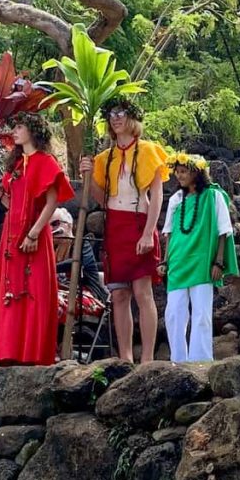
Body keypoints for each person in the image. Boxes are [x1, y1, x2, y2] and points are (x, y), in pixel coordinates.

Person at [0, 112, 74, 365]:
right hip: (11, 236)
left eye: (19, 127)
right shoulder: (16, 165)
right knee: (10, 290)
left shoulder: (45, 161)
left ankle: (33, 354)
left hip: (34, 235)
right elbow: (11, 203)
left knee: (33, 291)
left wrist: (33, 233)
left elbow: (52, 202)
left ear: (34, 131)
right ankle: (9, 352)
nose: (15, 131)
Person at [79, 97, 168, 363]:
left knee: (142, 292)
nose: (116, 118)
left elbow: (157, 195)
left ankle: (148, 358)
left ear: (132, 119)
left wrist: (148, 233)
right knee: (118, 294)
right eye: (112, 114)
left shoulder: (149, 150)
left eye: (121, 113)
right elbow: (103, 199)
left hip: (139, 222)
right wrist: (87, 174)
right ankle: (125, 357)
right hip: (115, 225)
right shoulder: (105, 159)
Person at [159, 153, 238, 362]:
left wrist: (218, 262)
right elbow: (169, 232)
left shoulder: (214, 196)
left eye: (184, 171)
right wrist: (165, 261)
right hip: (178, 261)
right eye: (177, 172)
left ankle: (200, 360)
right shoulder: (177, 198)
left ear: (197, 172)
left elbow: (224, 230)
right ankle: (178, 359)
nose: (179, 175)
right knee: (174, 313)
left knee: (202, 313)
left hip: (202, 261)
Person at [51, 207, 106, 302]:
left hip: (85, 295)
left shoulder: (81, 243)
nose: (51, 229)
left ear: (68, 225)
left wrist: (50, 268)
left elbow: (78, 263)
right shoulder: (49, 248)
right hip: (56, 293)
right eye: (47, 226)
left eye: (55, 224)